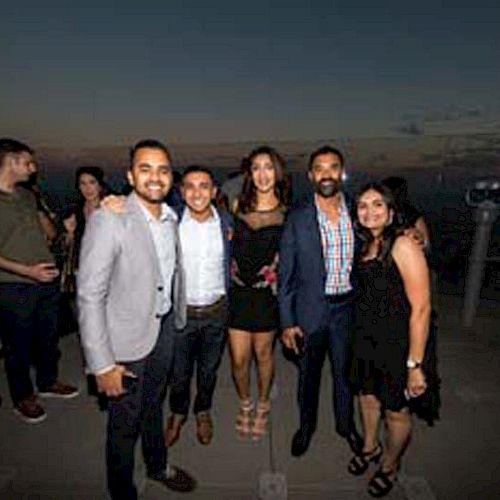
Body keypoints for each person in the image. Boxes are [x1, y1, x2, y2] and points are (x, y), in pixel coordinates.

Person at [77, 139, 196, 499]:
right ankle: (121, 490)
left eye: (162, 170)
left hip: (162, 331)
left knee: (152, 407)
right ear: (131, 176)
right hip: (125, 341)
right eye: (145, 169)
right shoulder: (108, 219)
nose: (155, 177)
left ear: (171, 177)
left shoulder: (171, 218)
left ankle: (158, 465)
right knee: (123, 423)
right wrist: (101, 364)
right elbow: (89, 295)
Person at [348, 183, 439, 498]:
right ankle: (370, 446)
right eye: (362, 205)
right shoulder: (365, 245)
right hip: (365, 338)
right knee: (367, 396)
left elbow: (422, 308)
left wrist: (415, 365)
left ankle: (390, 464)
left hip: (397, 343)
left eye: (377, 205)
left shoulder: (403, 245)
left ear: (390, 212)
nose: (369, 211)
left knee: (396, 410)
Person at [279, 145, 362, 457]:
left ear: (341, 172)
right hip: (311, 311)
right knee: (308, 378)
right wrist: (287, 323)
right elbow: (285, 275)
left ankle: (346, 426)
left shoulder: (357, 211)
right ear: (311, 175)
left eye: (333, 167)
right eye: (320, 168)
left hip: (346, 309)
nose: (327, 174)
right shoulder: (297, 217)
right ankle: (306, 428)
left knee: (345, 374)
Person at [0, 138, 79, 424]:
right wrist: (26, 271)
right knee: (18, 344)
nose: (33, 168)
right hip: (12, 284)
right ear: (11, 161)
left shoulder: (26, 195)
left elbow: (44, 234)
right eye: (28, 162)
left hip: (45, 279)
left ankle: (48, 382)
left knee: (48, 337)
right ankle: (22, 397)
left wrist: (58, 228)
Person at [164, 165, 232, 447]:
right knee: (178, 374)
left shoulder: (228, 223)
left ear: (214, 192)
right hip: (182, 314)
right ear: (181, 192)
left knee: (208, 371)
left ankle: (202, 410)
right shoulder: (170, 221)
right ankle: (178, 413)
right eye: (190, 186)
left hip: (217, 313)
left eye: (204, 186)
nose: (197, 192)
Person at [228, 145, 289, 440]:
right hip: (239, 294)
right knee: (239, 359)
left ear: (277, 172)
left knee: (263, 353)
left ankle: (263, 404)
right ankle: (245, 401)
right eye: (256, 168)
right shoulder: (236, 205)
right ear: (249, 174)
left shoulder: (289, 213)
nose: (262, 174)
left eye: (268, 167)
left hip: (267, 297)